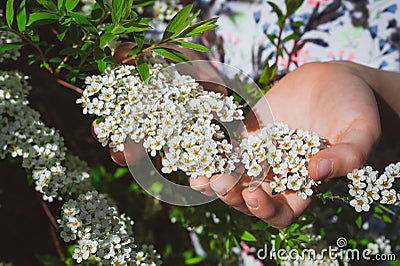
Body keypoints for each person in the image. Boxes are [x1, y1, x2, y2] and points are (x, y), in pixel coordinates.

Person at [92, 1, 400, 228]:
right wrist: (173, 64)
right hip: (253, 206)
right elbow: (197, 34)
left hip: (356, 231)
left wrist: (369, 84)